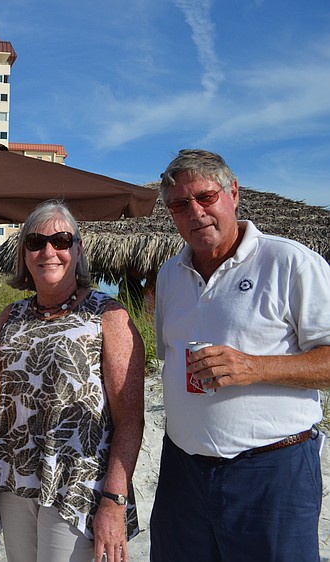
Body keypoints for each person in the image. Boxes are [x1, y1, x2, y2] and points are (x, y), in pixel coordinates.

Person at [150, 149, 330, 562]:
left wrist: (255, 367)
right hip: (183, 469)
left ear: (233, 192)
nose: (195, 212)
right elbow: (168, 356)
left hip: (272, 470)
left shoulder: (289, 262)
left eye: (205, 197)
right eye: (180, 204)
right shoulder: (170, 275)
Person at [0, 201, 145, 562]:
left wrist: (115, 500)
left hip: (79, 484)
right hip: (14, 479)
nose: (48, 251)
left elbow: (130, 419)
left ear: (77, 249)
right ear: (24, 253)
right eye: (36, 242)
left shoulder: (108, 315)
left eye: (61, 240)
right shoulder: (11, 316)